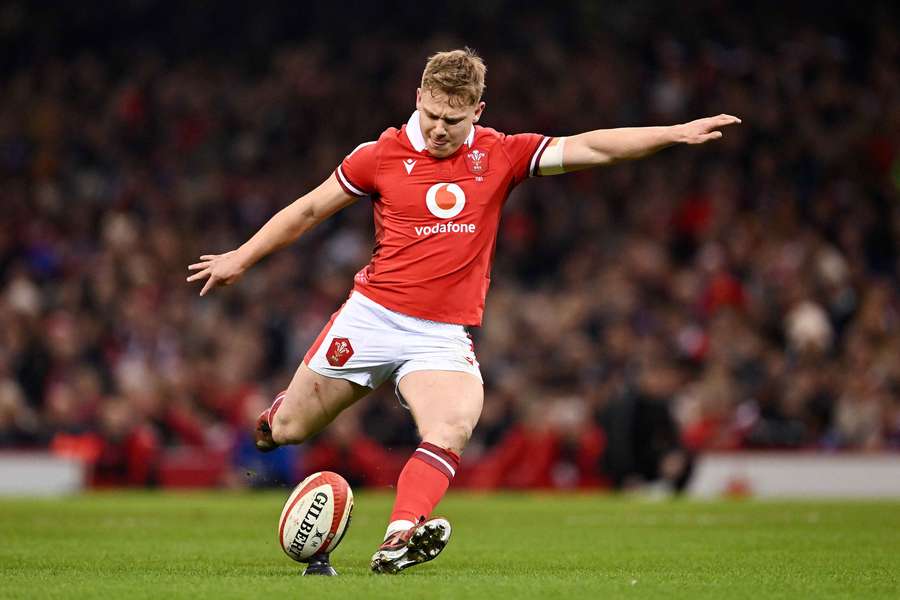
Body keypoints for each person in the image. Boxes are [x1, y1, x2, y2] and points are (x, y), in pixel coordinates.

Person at [187, 48, 740, 573]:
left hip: (439, 338)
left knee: (451, 424)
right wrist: (242, 256)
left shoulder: (500, 154)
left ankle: (399, 536)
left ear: (477, 109)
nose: (439, 129)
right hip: (372, 317)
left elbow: (591, 147)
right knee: (288, 429)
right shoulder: (379, 155)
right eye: (431, 114)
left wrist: (672, 133)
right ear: (419, 95)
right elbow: (308, 209)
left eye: (453, 119)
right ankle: (278, 412)